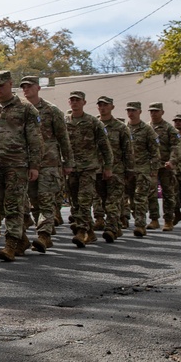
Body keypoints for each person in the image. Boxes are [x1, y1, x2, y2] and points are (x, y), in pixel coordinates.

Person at [0, 71, 41, 262]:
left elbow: (35, 140)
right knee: (0, 206)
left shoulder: (26, 109)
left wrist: (34, 166)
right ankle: (22, 239)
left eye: (1, 85)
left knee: (14, 206)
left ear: (11, 84)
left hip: (17, 164)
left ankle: (10, 244)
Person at [18, 76, 72, 252]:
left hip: (49, 162)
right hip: (29, 163)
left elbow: (64, 138)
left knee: (46, 200)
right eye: (23, 87)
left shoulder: (51, 110)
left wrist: (68, 162)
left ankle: (43, 235)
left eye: (29, 86)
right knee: (34, 201)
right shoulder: (21, 110)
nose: (26, 89)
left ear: (38, 88)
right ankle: (44, 233)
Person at [64, 91, 113, 248]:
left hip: (89, 168)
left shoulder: (93, 122)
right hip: (71, 168)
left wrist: (108, 166)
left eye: (77, 100)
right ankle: (90, 233)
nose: (74, 103)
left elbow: (105, 146)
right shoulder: (64, 122)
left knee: (85, 200)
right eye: (72, 100)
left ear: (84, 102)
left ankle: (81, 231)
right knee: (75, 202)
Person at [95, 96, 133, 242]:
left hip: (117, 170)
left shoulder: (120, 127)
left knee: (113, 201)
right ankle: (116, 225)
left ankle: (110, 228)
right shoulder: (94, 124)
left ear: (112, 107)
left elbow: (128, 150)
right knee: (104, 201)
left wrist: (129, 170)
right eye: (100, 105)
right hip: (98, 170)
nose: (102, 107)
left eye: (105, 105)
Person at [125, 101, 161, 237]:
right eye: (128, 110)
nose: (131, 113)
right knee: (132, 199)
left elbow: (155, 151)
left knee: (140, 198)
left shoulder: (147, 129)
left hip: (143, 169)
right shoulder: (124, 128)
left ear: (139, 111)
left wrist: (154, 170)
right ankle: (137, 219)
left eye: (133, 110)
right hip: (128, 170)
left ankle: (140, 225)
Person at [148, 102, 180, 232]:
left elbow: (176, 147)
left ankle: (168, 220)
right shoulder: (146, 127)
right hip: (152, 166)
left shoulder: (169, 129)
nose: (153, 113)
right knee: (151, 193)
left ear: (162, 112)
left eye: (156, 111)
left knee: (168, 193)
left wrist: (172, 161)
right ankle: (154, 219)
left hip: (166, 166)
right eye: (151, 111)